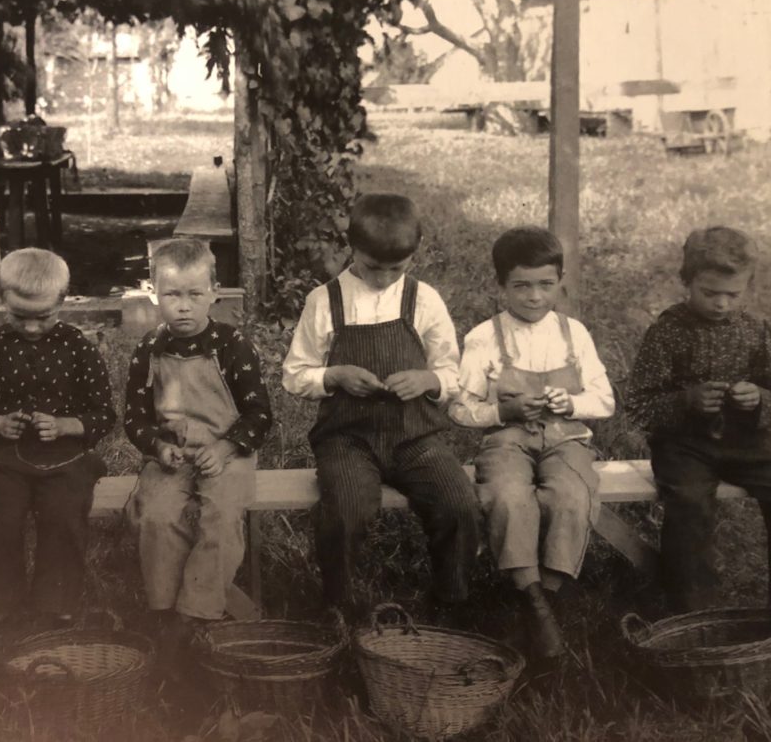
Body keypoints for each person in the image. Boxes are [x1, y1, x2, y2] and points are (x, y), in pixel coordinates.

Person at [282, 193, 479, 621]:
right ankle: (339, 604)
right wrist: (333, 376)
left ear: (416, 253)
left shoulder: (423, 299)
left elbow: (454, 371)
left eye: (398, 268)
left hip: (415, 435)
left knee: (458, 502)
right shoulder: (325, 300)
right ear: (351, 247)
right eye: (374, 267)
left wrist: (429, 380)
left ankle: (452, 600)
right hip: (348, 438)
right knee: (348, 510)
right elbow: (295, 373)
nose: (385, 278)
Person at [450, 228, 614, 659]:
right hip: (508, 439)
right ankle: (534, 602)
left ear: (561, 282)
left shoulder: (573, 333)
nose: (535, 297)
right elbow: (460, 408)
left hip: (566, 438)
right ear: (501, 285)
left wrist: (571, 402)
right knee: (507, 496)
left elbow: (605, 400)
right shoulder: (484, 337)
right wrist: (501, 413)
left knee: (570, 496)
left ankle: (544, 599)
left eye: (546, 285)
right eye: (521, 286)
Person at [124, 238, 272, 649]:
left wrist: (226, 448)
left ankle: (196, 614)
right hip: (172, 454)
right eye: (172, 295)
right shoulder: (149, 349)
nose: (183, 306)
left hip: (228, 452)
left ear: (215, 294)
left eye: (194, 294)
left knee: (221, 516)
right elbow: (134, 418)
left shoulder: (231, 346)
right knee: (154, 513)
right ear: (153, 294)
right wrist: (156, 446)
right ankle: (164, 610)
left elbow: (260, 414)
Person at [0, 249, 114, 630]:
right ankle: (1, 607)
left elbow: (104, 413)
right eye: (18, 316)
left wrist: (66, 426)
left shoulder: (79, 349)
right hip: (7, 459)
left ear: (62, 302)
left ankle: (55, 607)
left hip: (66, 459)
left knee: (62, 516)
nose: (30, 328)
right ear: (2, 301)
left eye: (42, 317)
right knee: (0, 518)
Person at [626, 226, 771, 613]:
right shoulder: (668, 332)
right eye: (710, 292)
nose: (722, 303)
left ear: (749, 289)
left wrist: (758, 399)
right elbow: (638, 404)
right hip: (685, 445)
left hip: (747, 442)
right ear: (686, 282)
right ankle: (695, 612)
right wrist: (684, 402)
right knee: (688, 504)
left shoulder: (756, 331)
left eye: (733, 294)